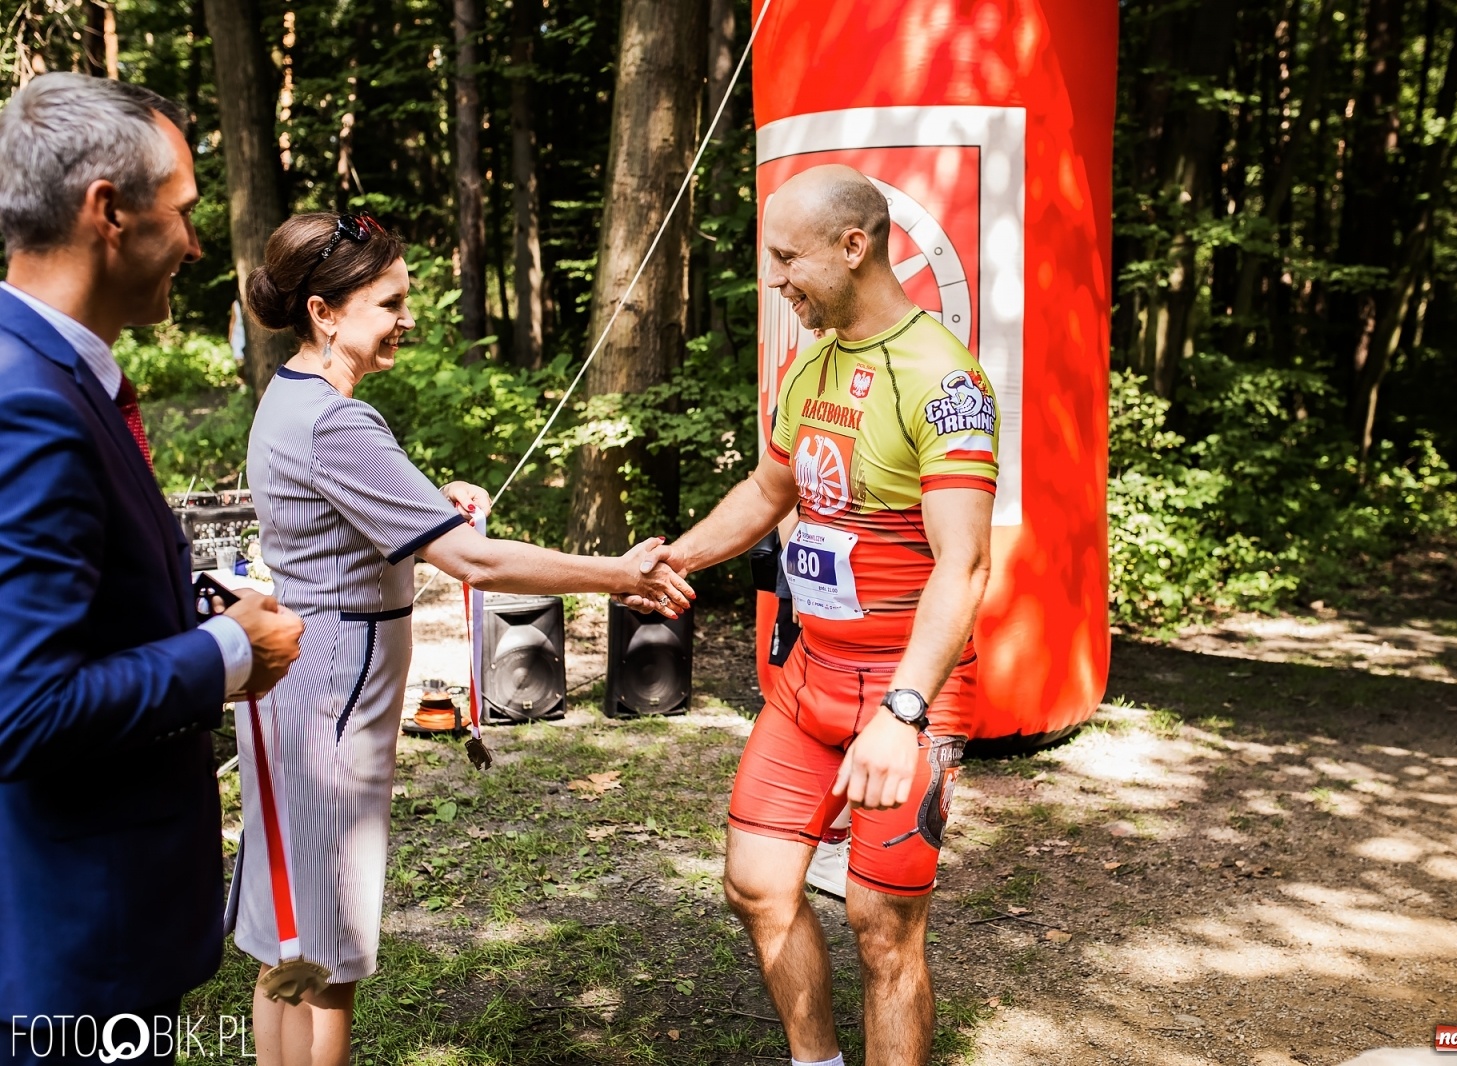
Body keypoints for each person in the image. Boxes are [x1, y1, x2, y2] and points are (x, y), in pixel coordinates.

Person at [235, 211, 693, 1065]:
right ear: (325, 313)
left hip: (294, 685)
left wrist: (423, 509)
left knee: (288, 942)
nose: (407, 317)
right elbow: (475, 561)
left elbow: (341, 521)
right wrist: (620, 575)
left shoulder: (292, 393)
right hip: (333, 694)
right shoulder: (338, 423)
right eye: (390, 302)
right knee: (326, 959)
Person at [658, 164, 999, 1066]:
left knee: (882, 926)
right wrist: (675, 556)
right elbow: (770, 489)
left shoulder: (944, 381)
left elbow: (964, 566)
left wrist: (903, 717)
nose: (776, 280)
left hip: (905, 697)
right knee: (757, 883)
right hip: (809, 682)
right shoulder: (806, 362)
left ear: (855, 247)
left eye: (786, 258)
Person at [0, 73, 305, 1061]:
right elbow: (23, 706)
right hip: (72, 950)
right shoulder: (31, 406)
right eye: (180, 214)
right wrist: (227, 650)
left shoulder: (42, 370)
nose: (196, 244)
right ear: (108, 213)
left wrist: (187, 603)